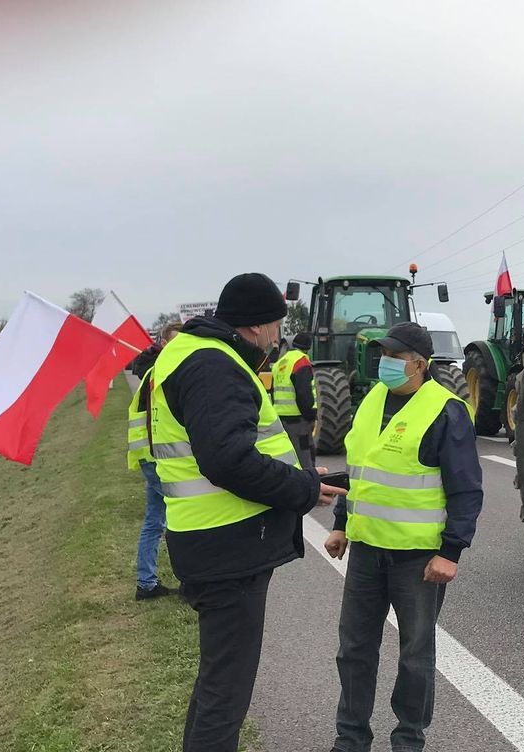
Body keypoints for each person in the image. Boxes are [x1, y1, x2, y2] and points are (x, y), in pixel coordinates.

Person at [150, 272, 343, 752]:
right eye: (276, 324)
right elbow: (228, 460)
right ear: (257, 326)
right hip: (227, 549)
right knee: (226, 696)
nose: (279, 335)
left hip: (209, 543)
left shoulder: (189, 355)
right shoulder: (214, 365)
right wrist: (300, 488)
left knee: (217, 684)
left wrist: (300, 477)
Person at [323, 321, 483, 752]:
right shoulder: (372, 400)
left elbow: (466, 489)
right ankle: (351, 738)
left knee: (415, 655)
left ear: (420, 364)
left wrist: (451, 551)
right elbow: (361, 469)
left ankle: (408, 739)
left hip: (419, 559)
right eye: (384, 355)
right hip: (367, 551)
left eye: (395, 357)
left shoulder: (445, 410)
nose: (385, 363)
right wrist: (341, 523)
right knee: (354, 649)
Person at [128, 324, 180, 601]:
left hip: (151, 455)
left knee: (155, 520)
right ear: (162, 343)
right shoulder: (161, 372)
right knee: (180, 518)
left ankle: (146, 583)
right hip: (158, 457)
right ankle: (190, 582)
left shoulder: (154, 370)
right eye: (174, 343)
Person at [271, 331, 318, 470]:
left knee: (287, 457)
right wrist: (310, 415)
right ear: (308, 347)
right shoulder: (301, 361)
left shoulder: (280, 363)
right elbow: (304, 392)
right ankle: (309, 485)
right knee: (304, 457)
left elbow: (273, 392)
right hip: (298, 420)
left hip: (280, 417)